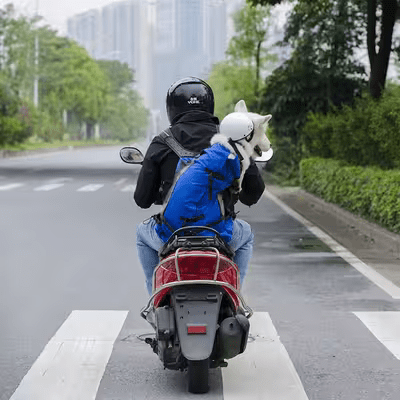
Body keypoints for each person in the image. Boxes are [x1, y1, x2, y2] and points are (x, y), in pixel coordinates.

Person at [134, 77, 265, 295]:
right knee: (247, 233)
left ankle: (155, 299)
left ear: (171, 108)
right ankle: (234, 295)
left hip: (171, 235)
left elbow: (142, 199)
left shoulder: (161, 142)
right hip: (221, 235)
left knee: (142, 232)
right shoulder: (232, 140)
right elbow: (253, 193)